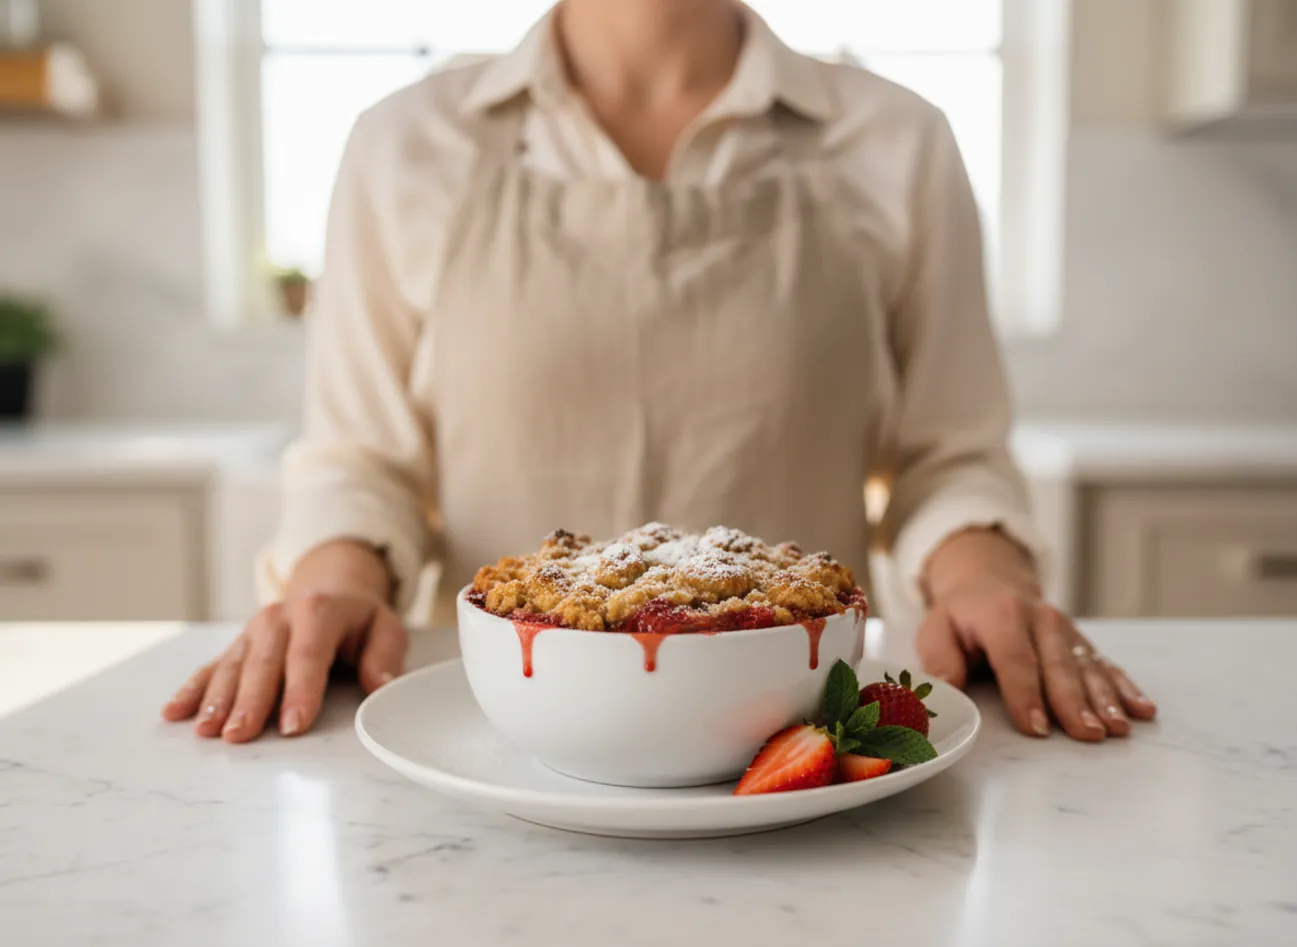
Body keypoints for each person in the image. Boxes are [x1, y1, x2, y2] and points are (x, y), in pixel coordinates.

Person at [163, 0, 1156, 745]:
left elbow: (949, 454)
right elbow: (362, 457)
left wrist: (983, 581)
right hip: (495, 745)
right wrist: (332, 582)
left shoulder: (894, 139)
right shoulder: (405, 142)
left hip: (798, 746)